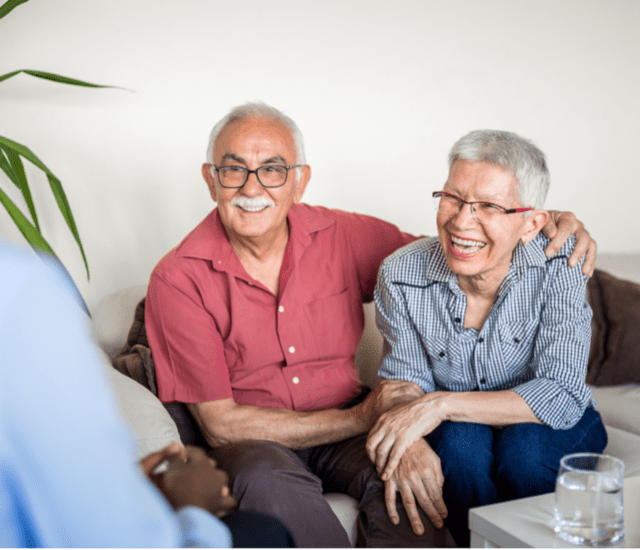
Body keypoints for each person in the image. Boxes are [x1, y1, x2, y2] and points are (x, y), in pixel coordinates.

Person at [145, 102, 597, 548]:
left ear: (299, 180)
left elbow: (463, 249)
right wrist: (372, 417)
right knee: (270, 483)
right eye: (233, 169)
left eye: (273, 169)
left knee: (413, 486)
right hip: (259, 442)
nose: (252, 186)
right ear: (211, 180)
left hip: (356, 423)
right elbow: (222, 426)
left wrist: (546, 224)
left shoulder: (343, 236)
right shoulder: (178, 278)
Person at [367, 129, 607, 547]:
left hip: (546, 419)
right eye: (452, 198)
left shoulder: (560, 264)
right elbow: (406, 385)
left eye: (489, 207)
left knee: (525, 454)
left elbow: (561, 392)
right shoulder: (400, 274)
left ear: (532, 224)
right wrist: (413, 425)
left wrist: (440, 404)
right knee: (460, 452)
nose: (461, 222)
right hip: (460, 425)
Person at [0, 243, 293, 548]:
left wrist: (129, 484)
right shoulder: (19, 293)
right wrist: (194, 511)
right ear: (213, 191)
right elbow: (102, 536)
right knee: (261, 529)